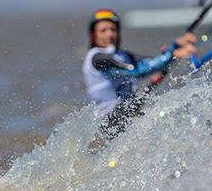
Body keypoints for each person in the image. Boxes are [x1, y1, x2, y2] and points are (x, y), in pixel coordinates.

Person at [81, 9, 197, 139]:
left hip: (129, 113)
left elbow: (151, 62)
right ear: (93, 35)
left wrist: (175, 46)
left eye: (113, 29)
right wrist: (172, 55)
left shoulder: (123, 56)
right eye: (103, 30)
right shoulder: (97, 58)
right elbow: (136, 71)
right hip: (109, 122)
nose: (110, 34)